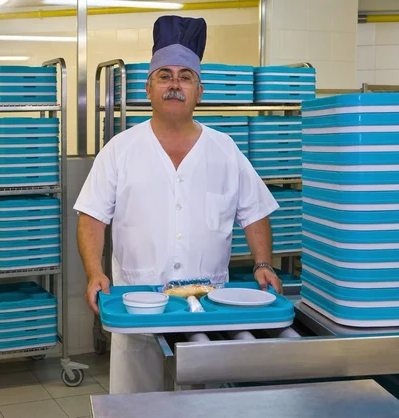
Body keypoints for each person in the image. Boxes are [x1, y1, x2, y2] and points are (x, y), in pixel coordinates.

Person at [74, 15, 281, 395]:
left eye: (185, 76)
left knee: (204, 402)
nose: (174, 84)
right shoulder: (120, 150)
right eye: (165, 75)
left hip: (209, 309)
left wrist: (263, 264)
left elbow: (254, 213)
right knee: (137, 404)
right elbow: (92, 218)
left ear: (199, 91)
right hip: (138, 305)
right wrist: (93, 272)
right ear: (148, 88)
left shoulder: (225, 151)